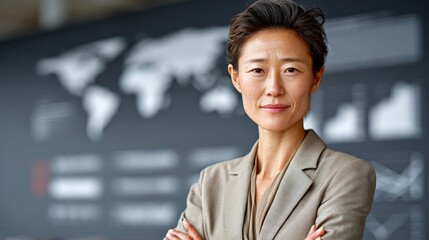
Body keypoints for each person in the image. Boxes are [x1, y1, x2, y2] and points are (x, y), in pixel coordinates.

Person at [165, 0, 376, 239]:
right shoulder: (211, 182)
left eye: (291, 70)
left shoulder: (345, 175)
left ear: (316, 77)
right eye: (258, 71)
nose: (274, 88)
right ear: (236, 78)